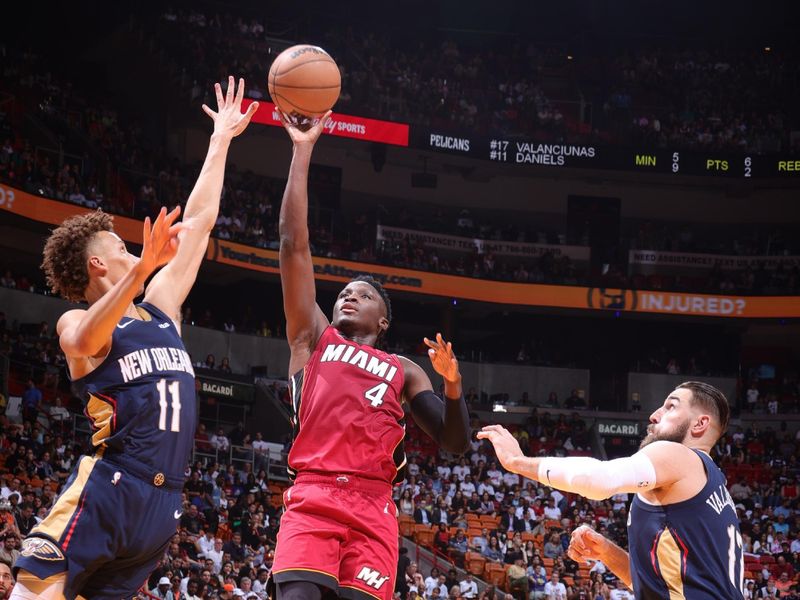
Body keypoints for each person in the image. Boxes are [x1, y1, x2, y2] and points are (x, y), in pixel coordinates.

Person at [10, 76, 258, 600]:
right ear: (99, 263)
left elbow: (200, 222)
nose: (133, 251)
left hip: (162, 510)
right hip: (108, 489)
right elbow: (80, 343)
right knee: (34, 590)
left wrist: (220, 142)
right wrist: (139, 272)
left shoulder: (160, 307)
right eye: (122, 247)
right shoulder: (78, 323)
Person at [270, 111, 470, 600]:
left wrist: (453, 385)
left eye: (364, 294)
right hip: (313, 496)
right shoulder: (314, 338)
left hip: (373, 505)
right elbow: (293, 246)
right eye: (344, 292)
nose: (348, 296)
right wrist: (301, 152)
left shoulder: (404, 369)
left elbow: (455, 442)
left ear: (383, 321)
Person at [478, 381, 742, 599]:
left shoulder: (679, 455)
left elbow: (598, 480)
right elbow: (657, 587)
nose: (654, 414)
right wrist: (606, 551)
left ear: (699, 424)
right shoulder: (715, 486)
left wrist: (518, 462)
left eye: (671, 406)